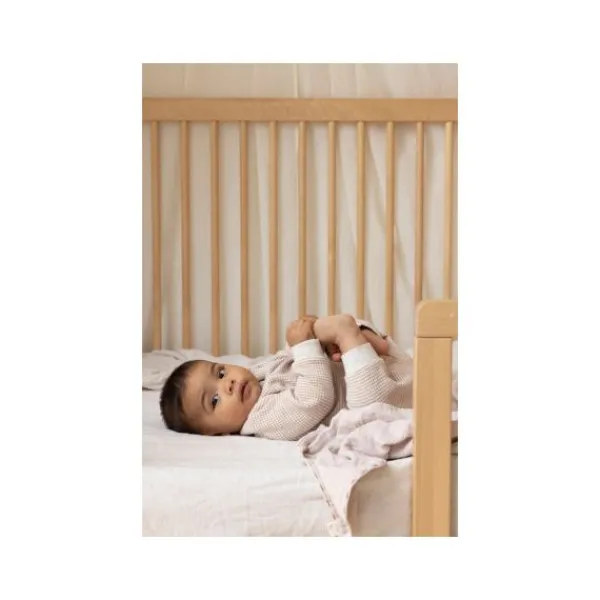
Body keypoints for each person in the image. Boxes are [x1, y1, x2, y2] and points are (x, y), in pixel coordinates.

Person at [159, 313, 414, 441]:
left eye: (221, 372)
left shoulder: (257, 376)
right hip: (387, 403)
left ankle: (363, 340)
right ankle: (350, 336)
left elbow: (285, 360)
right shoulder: (262, 420)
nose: (228, 384)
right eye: (214, 400)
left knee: (322, 336)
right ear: (216, 434)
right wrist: (305, 347)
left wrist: (309, 338)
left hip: (387, 371)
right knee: (366, 408)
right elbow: (315, 399)